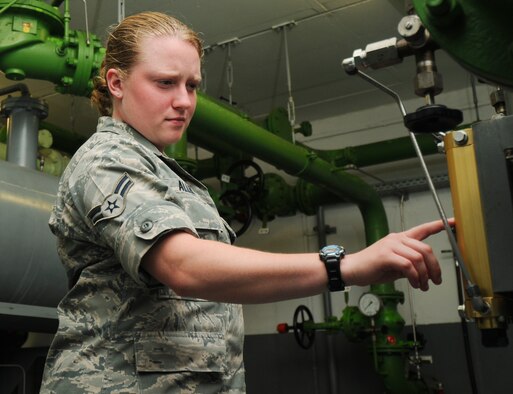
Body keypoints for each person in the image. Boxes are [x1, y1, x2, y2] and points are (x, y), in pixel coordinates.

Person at [40, 11, 451, 393]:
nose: (184, 101)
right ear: (116, 83)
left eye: (192, 85)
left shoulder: (167, 172)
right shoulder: (106, 160)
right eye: (165, 83)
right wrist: (344, 265)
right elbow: (183, 265)